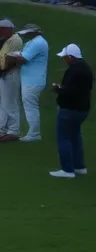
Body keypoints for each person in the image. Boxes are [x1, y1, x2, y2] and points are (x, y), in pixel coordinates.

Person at [50, 44, 91, 178]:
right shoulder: (86, 68)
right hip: (82, 109)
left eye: (65, 57)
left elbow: (69, 91)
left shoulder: (73, 70)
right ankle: (79, 167)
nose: (64, 60)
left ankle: (67, 170)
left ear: (70, 57)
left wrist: (58, 89)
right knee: (75, 137)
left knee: (64, 138)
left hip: (69, 109)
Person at [7, 23, 48, 142]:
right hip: (31, 79)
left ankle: (34, 134)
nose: (26, 35)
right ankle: (33, 132)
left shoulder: (37, 43)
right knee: (30, 106)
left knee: (30, 107)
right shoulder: (34, 42)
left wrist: (11, 56)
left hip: (33, 81)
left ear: (33, 32)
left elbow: (23, 59)